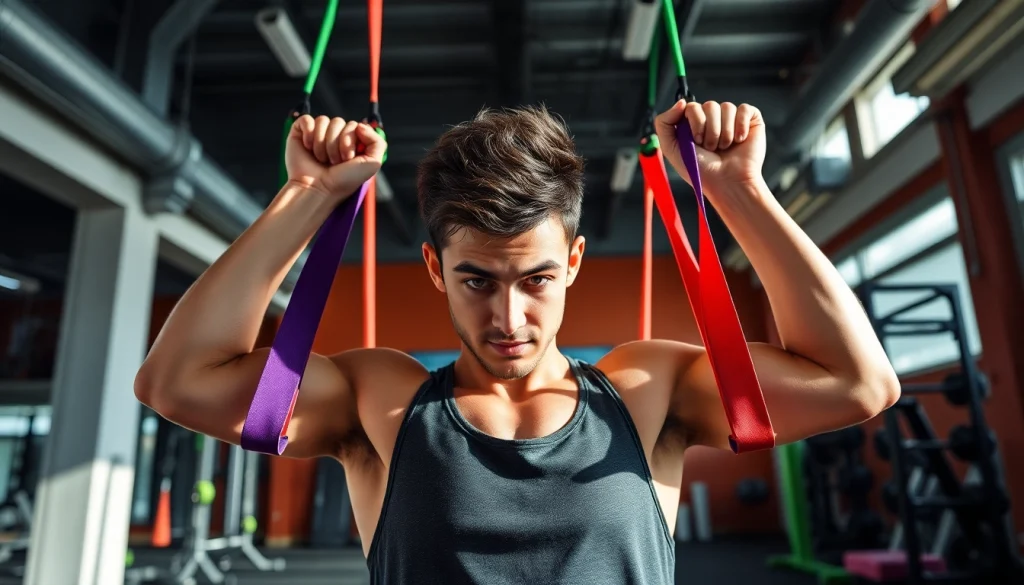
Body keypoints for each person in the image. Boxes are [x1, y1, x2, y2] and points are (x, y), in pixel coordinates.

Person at [135, 100, 900, 583]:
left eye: (535, 280)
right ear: (435, 267)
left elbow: (857, 384)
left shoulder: (646, 393)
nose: (508, 317)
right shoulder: (381, 405)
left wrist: (739, 190)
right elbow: (178, 382)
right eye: (478, 281)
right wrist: (306, 198)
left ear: (572, 262)